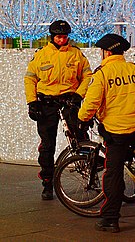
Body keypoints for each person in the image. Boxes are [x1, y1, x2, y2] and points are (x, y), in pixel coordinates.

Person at [78, 33, 135, 233]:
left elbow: (91, 104)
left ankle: (110, 218)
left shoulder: (102, 73)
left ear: (106, 52)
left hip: (117, 131)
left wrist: (81, 119)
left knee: (113, 173)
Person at [24, 20, 92, 200]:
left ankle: (88, 175)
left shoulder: (76, 54)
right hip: (47, 104)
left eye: (65, 36)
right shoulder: (41, 55)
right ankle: (47, 182)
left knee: (80, 138)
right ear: (52, 36)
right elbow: (30, 79)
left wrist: (78, 95)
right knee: (47, 145)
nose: (62, 40)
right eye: (59, 36)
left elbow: (88, 76)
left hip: (70, 102)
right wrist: (32, 102)